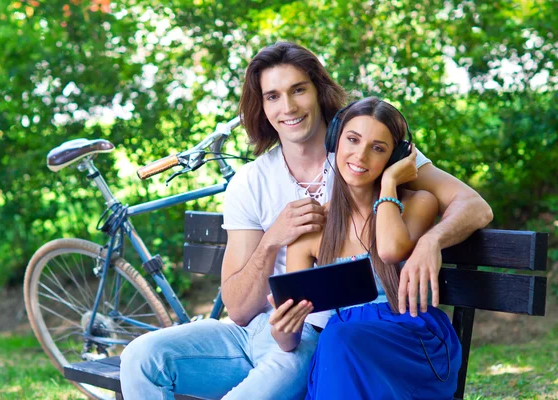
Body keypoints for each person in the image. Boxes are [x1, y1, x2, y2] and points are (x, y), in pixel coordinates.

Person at [120, 42, 492, 400]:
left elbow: (473, 205)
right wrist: (272, 239)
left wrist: (431, 241)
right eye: (273, 96)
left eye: (298, 90)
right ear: (261, 106)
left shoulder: (361, 151)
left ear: (319, 92)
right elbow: (238, 308)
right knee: (141, 357)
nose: (288, 106)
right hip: (261, 331)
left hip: (317, 335)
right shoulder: (250, 181)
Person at [270, 97, 462, 399]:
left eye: (378, 148)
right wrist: (282, 329)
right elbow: (290, 338)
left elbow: (389, 250)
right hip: (345, 348)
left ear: (395, 158)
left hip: (410, 341)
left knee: (338, 339)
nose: (360, 155)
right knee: (337, 340)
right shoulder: (311, 230)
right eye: (352, 139)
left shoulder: (418, 203)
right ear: (335, 140)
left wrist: (388, 185)